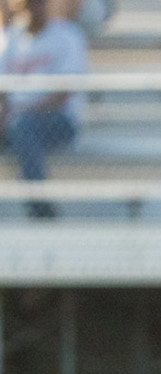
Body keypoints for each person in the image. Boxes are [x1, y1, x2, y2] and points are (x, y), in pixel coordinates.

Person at [0, 0, 87, 218]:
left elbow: (62, 94)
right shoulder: (8, 39)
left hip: (58, 120)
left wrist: (17, 112)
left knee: (23, 127)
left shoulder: (67, 36)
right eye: (27, 4)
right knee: (19, 127)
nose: (32, 8)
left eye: (37, 2)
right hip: (13, 120)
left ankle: (40, 208)